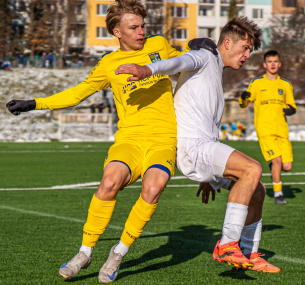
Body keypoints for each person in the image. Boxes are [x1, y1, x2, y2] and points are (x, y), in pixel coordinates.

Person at [5, 0, 214, 282]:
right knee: (109, 182)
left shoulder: (159, 46)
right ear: (117, 32)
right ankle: (85, 252)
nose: (141, 32)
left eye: (143, 26)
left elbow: (186, 63)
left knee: (153, 189)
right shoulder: (108, 64)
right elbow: (77, 94)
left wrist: (200, 48)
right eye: (134, 27)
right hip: (129, 139)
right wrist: (34, 103)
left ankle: (118, 252)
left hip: (164, 140)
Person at [115, 16, 280, 273]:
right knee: (252, 168)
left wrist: (209, 174)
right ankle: (227, 244)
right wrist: (147, 70)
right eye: (245, 48)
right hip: (194, 148)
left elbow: (205, 122)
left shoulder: (215, 66)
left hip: (204, 149)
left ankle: (249, 253)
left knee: (257, 189)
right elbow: (181, 61)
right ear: (227, 42)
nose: (247, 54)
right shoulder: (204, 55)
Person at [239, 50, 296, 205]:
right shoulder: (257, 83)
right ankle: (278, 194)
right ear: (264, 64)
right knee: (277, 160)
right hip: (265, 130)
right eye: (270, 61)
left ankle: (274, 166)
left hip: (282, 130)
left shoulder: (285, 85)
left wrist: (290, 110)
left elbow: (292, 105)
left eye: (275, 61)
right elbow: (245, 101)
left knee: (287, 166)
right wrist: (243, 98)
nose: (272, 64)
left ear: (279, 64)